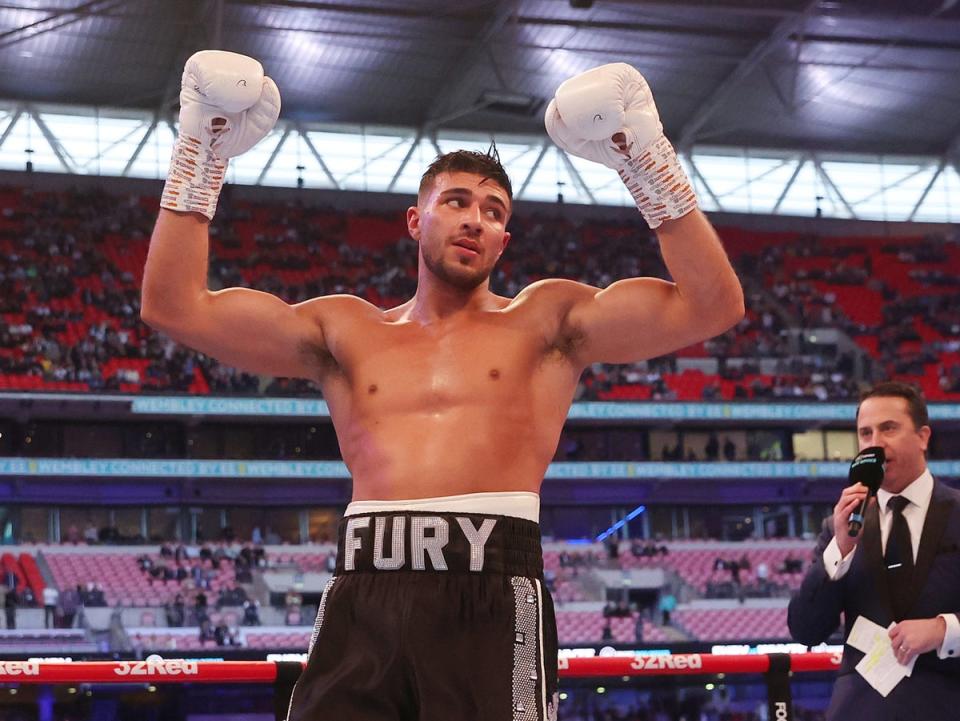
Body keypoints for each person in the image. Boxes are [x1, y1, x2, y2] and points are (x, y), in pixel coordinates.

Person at [141, 51, 743, 721]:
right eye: (456, 201)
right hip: (365, 591)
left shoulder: (548, 320)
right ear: (414, 219)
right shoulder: (345, 329)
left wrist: (644, 159)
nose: (474, 219)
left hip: (491, 592)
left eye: (492, 210)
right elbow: (175, 306)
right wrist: (199, 151)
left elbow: (711, 304)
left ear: (504, 239)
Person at [788, 382, 960, 719]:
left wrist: (944, 630)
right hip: (861, 708)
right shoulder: (839, 527)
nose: (875, 444)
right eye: (865, 434)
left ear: (923, 437)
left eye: (888, 429)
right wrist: (840, 549)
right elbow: (806, 629)